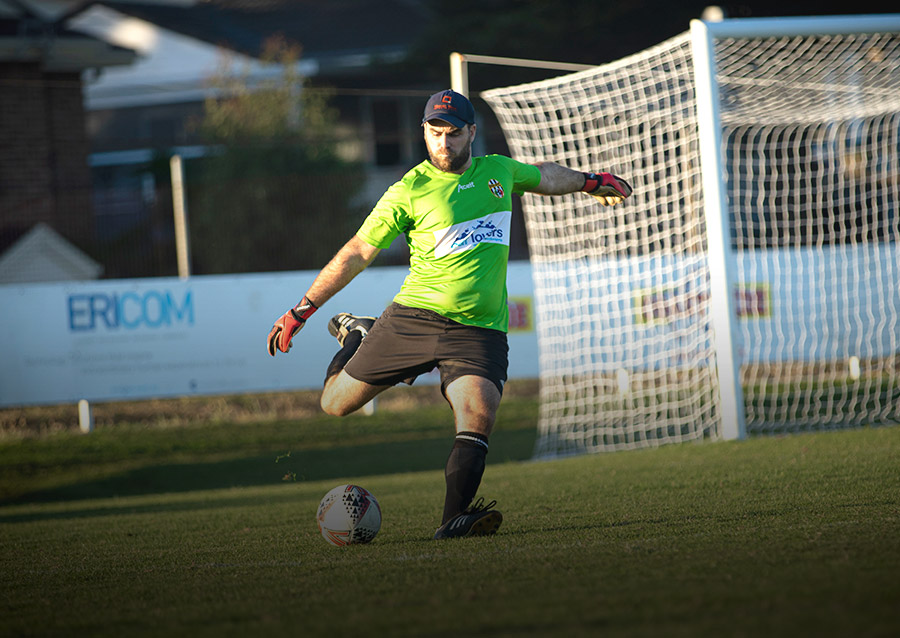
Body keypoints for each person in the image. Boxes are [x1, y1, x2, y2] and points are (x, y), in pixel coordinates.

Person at [267, 89, 632, 540]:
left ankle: (454, 520)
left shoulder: (497, 170)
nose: (443, 143)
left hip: (478, 330)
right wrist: (302, 310)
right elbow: (358, 251)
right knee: (334, 405)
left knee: (479, 411)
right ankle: (357, 337)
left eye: (453, 134)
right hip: (415, 318)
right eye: (434, 133)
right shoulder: (408, 190)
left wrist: (589, 181)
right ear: (424, 131)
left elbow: (545, 176)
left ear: (471, 134)